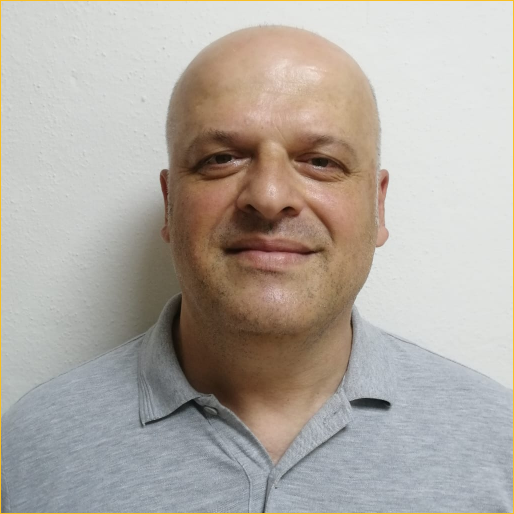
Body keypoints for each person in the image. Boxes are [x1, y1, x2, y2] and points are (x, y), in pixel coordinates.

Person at [2, 25, 511, 514]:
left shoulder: (499, 443)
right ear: (170, 204)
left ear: (377, 207)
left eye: (321, 162)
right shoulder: (29, 450)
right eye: (222, 158)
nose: (269, 197)